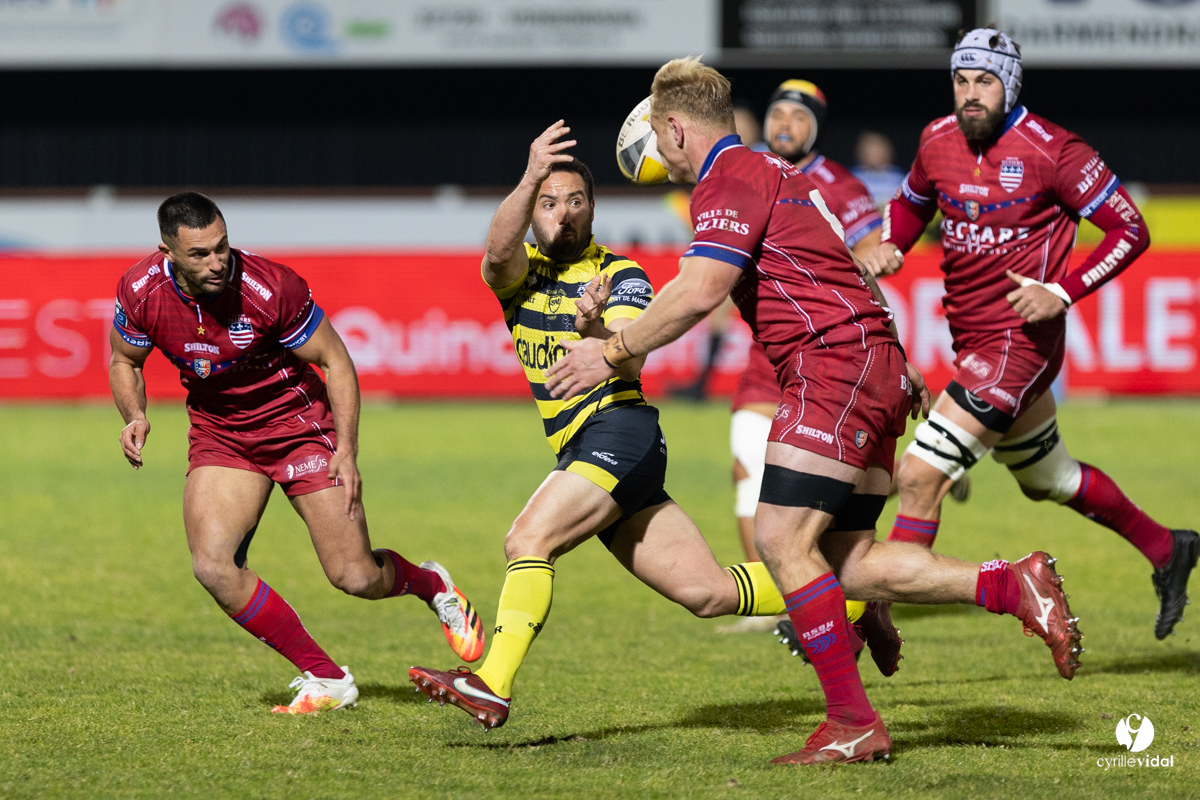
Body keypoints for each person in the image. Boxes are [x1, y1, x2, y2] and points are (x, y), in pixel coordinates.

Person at [546, 58, 1082, 765]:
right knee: (844, 558)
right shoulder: (776, 173)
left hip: (834, 365)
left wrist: (608, 351)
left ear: (677, 127)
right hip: (869, 362)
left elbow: (701, 289)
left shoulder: (728, 177)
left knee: (779, 540)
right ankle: (1012, 583)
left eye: (658, 142)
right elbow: (838, 265)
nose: (662, 162)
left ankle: (852, 722)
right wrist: (892, 358)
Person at [407, 124, 791, 731]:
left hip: (621, 433)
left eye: (575, 202)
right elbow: (496, 252)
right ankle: (845, 594)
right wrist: (531, 173)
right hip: (585, 449)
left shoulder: (619, 273)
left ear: (593, 210)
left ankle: (492, 684)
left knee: (527, 539)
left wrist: (593, 329)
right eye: (549, 204)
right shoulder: (521, 276)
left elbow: (632, 356)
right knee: (709, 592)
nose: (562, 215)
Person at [861, 27, 1199, 641]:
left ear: (1009, 85)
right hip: (974, 341)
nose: (970, 94)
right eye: (961, 81)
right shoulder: (937, 139)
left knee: (917, 477)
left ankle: (872, 614)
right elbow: (913, 203)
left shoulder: (1055, 151)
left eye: (984, 82)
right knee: (1051, 479)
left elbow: (1131, 230)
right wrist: (893, 244)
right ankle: (1168, 547)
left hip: (1020, 344)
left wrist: (1062, 291)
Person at [108, 192, 485, 714]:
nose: (217, 262)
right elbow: (123, 360)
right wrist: (135, 415)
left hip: (299, 427)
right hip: (222, 435)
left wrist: (347, 451)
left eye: (222, 247)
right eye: (200, 254)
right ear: (167, 251)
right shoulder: (141, 289)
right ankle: (326, 678)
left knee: (354, 577)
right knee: (213, 567)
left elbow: (337, 360)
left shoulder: (269, 287)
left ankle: (430, 582)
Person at [850, 131, 906, 209]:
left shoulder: (900, 178)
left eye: (878, 149)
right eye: (870, 150)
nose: (874, 155)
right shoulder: (851, 177)